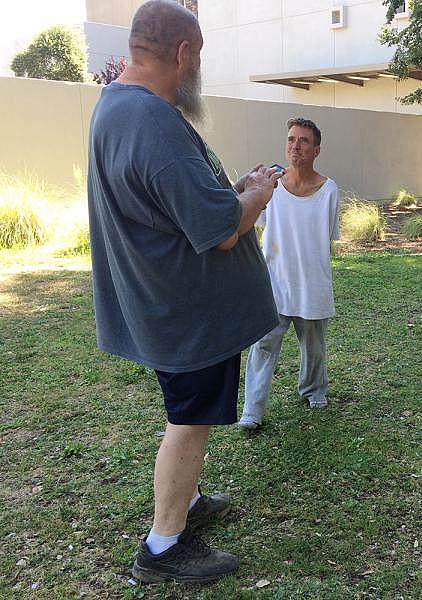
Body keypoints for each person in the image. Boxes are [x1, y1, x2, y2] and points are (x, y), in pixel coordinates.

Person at [87, 0, 283, 584]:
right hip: (186, 314)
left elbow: (176, 203)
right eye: (199, 56)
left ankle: (188, 503)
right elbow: (221, 231)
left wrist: (234, 190)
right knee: (190, 420)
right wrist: (258, 195)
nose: (199, 68)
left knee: (188, 413)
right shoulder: (154, 123)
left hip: (166, 304)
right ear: (183, 53)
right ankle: (163, 545)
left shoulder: (117, 106)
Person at [239, 118, 340, 429]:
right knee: (264, 345)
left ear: (316, 149)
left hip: (312, 282)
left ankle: (313, 390)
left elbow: (327, 237)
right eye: (291, 139)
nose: (296, 146)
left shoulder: (329, 190)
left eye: (304, 141)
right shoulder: (270, 188)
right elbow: (255, 227)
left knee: (313, 345)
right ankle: (252, 411)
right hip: (275, 283)